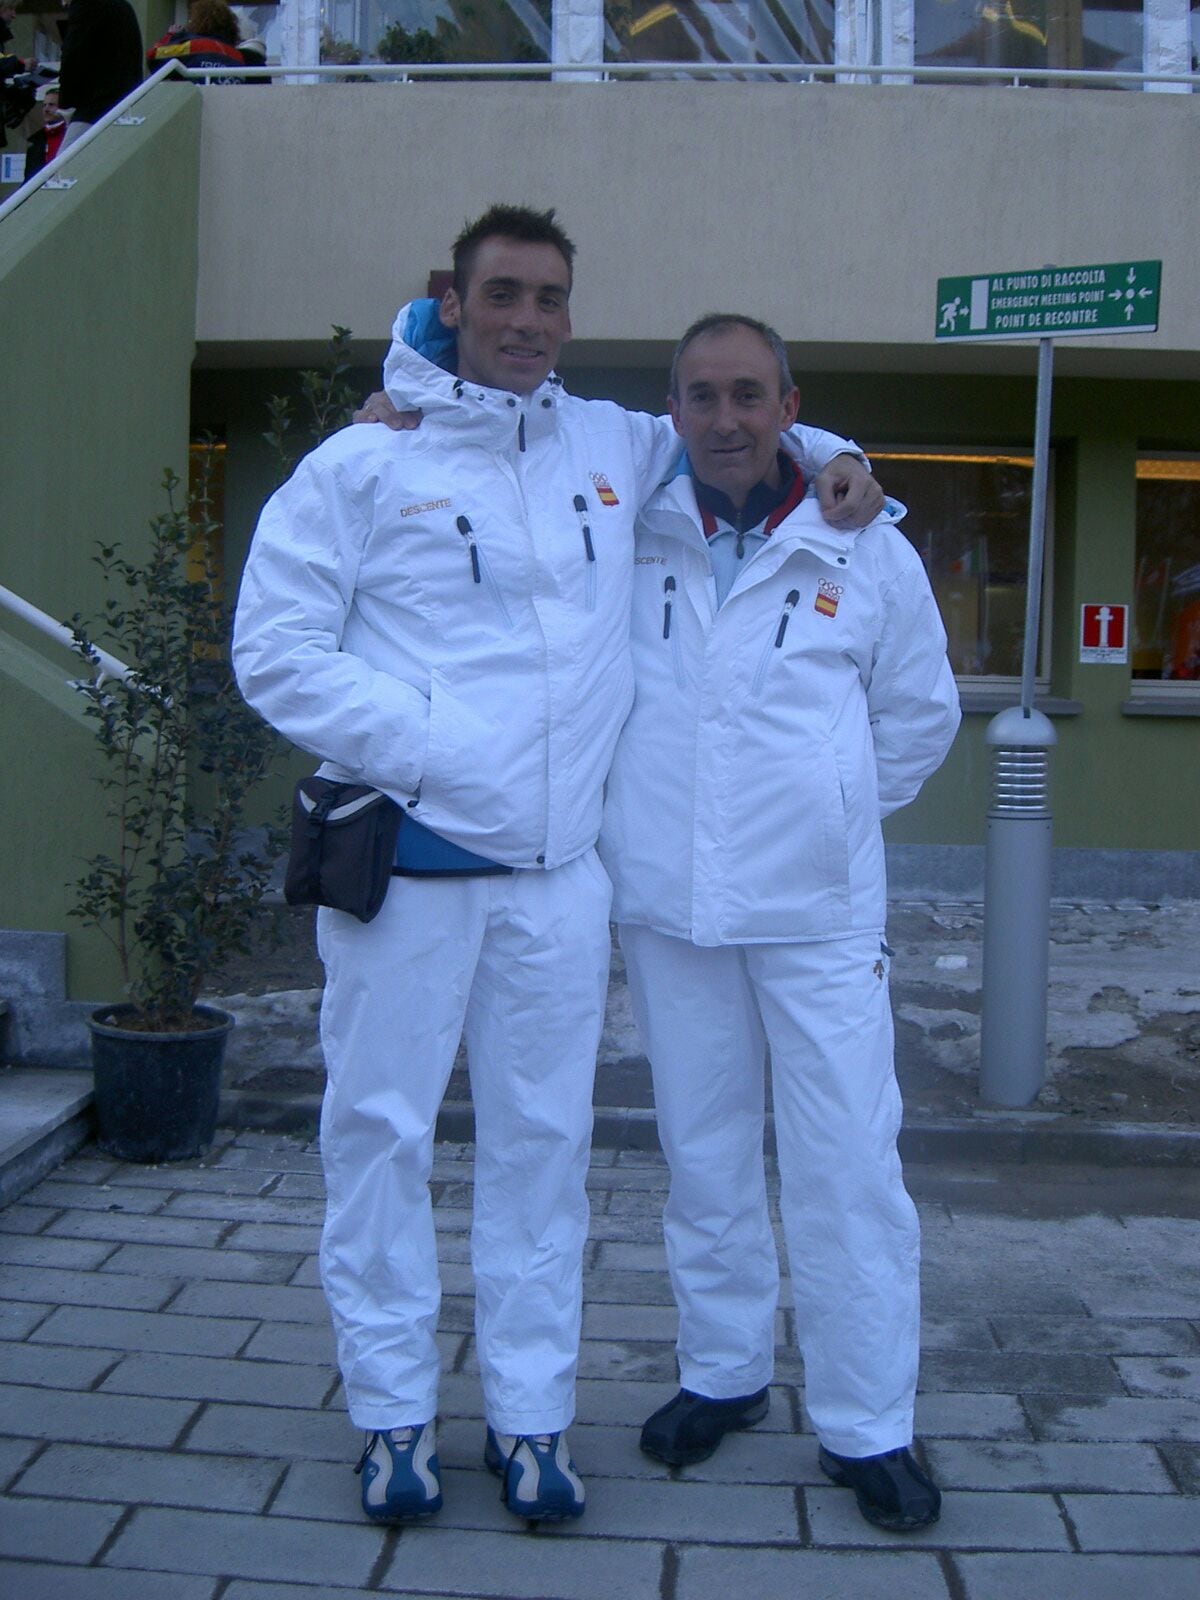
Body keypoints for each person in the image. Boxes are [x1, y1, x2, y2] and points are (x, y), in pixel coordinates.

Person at [233, 204, 882, 1529]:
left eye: (550, 301)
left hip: (556, 886)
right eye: (504, 296)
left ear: (570, 319)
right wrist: (437, 750)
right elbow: (277, 651)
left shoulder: (613, 444)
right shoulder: (358, 468)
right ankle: (394, 1416)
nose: (527, 321)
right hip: (406, 870)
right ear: (452, 302)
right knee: (379, 1140)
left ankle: (531, 1419)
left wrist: (848, 455)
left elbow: (745, 436)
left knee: (543, 1154)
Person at [599, 314, 961, 1532]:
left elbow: (916, 716)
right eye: (700, 396)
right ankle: (724, 1373)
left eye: (748, 394)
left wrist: (833, 810)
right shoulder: (631, 527)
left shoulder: (862, 545)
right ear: (673, 410)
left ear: (790, 404)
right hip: (672, 907)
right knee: (703, 1156)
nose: (725, 419)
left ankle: (869, 1425)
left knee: (848, 1167)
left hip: (816, 914)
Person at [56, 0, 140, 148]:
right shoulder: (122, 7)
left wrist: (66, 103)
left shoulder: (87, 6)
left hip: (96, 104)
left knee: (65, 165)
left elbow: (72, 55)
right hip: (125, 101)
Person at [146, 0, 246, 78]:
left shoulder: (193, 45)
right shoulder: (237, 55)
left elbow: (154, 55)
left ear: (199, 20)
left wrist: (171, 35)